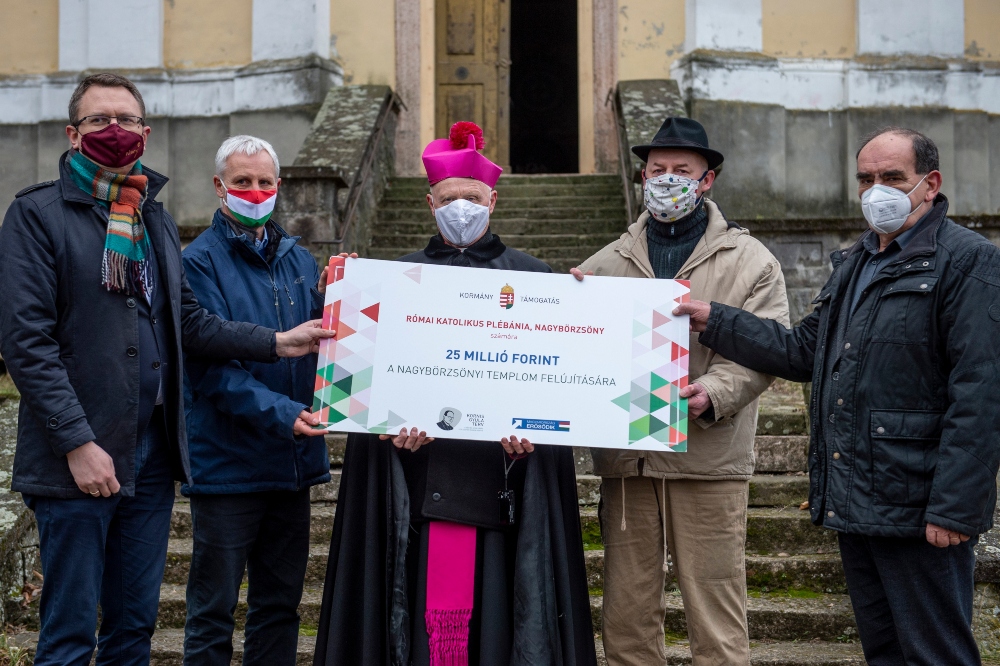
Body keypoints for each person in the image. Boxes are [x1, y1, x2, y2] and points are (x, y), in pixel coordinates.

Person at [0, 73, 331, 666]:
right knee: (70, 635)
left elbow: (189, 325)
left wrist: (278, 342)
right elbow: (27, 343)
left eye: (127, 120)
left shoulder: (151, 216)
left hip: (150, 454)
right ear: (73, 134)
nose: (115, 130)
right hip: (79, 455)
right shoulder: (37, 214)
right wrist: (78, 441)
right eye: (100, 120)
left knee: (134, 629)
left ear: (146, 133)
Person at [675, 126, 999, 665]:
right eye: (866, 179)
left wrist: (955, 509)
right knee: (885, 651)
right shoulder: (856, 262)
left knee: (935, 652)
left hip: (921, 506)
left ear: (931, 182)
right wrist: (717, 320)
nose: (877, 190)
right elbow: (804, 350)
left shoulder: (968, 262)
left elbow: (982, 394)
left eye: (892, 177)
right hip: (857, 498)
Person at [313, 122, 597, 666]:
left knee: (498, 620)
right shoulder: (386, 281)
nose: (460, 207)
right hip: (416, 482)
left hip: (502, 484)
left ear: (493, 199)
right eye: (449, 199)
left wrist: (533, 437)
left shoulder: (539, 282)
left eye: (471, 197)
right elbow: (362, 382)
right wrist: (388, 429)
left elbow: (555, 385)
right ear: (429, 202)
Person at [571, 117, 789, 666]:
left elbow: (768, 348)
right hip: (631, 461)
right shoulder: (605, 263)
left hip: (706, 456)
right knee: (626, 614)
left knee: (715, 611)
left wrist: (713, 392)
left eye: (681, 171)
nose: (667, 179)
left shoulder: (751, 260)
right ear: (643, 175)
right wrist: (564, 308)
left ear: (707, 180)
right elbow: (578, 349)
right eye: (657, 169)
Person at [180, 135, 333, 665]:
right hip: (227, 466)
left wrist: (347, 291)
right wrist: (285, 415)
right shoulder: (196, 263)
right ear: (220, 187)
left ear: (279, 187)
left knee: (279, 607)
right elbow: (211, 370)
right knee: (212, 611)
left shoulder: (298, 258)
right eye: (242, 182)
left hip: (289, 466)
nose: (254, 191)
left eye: (264, 181)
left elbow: (327, 343)